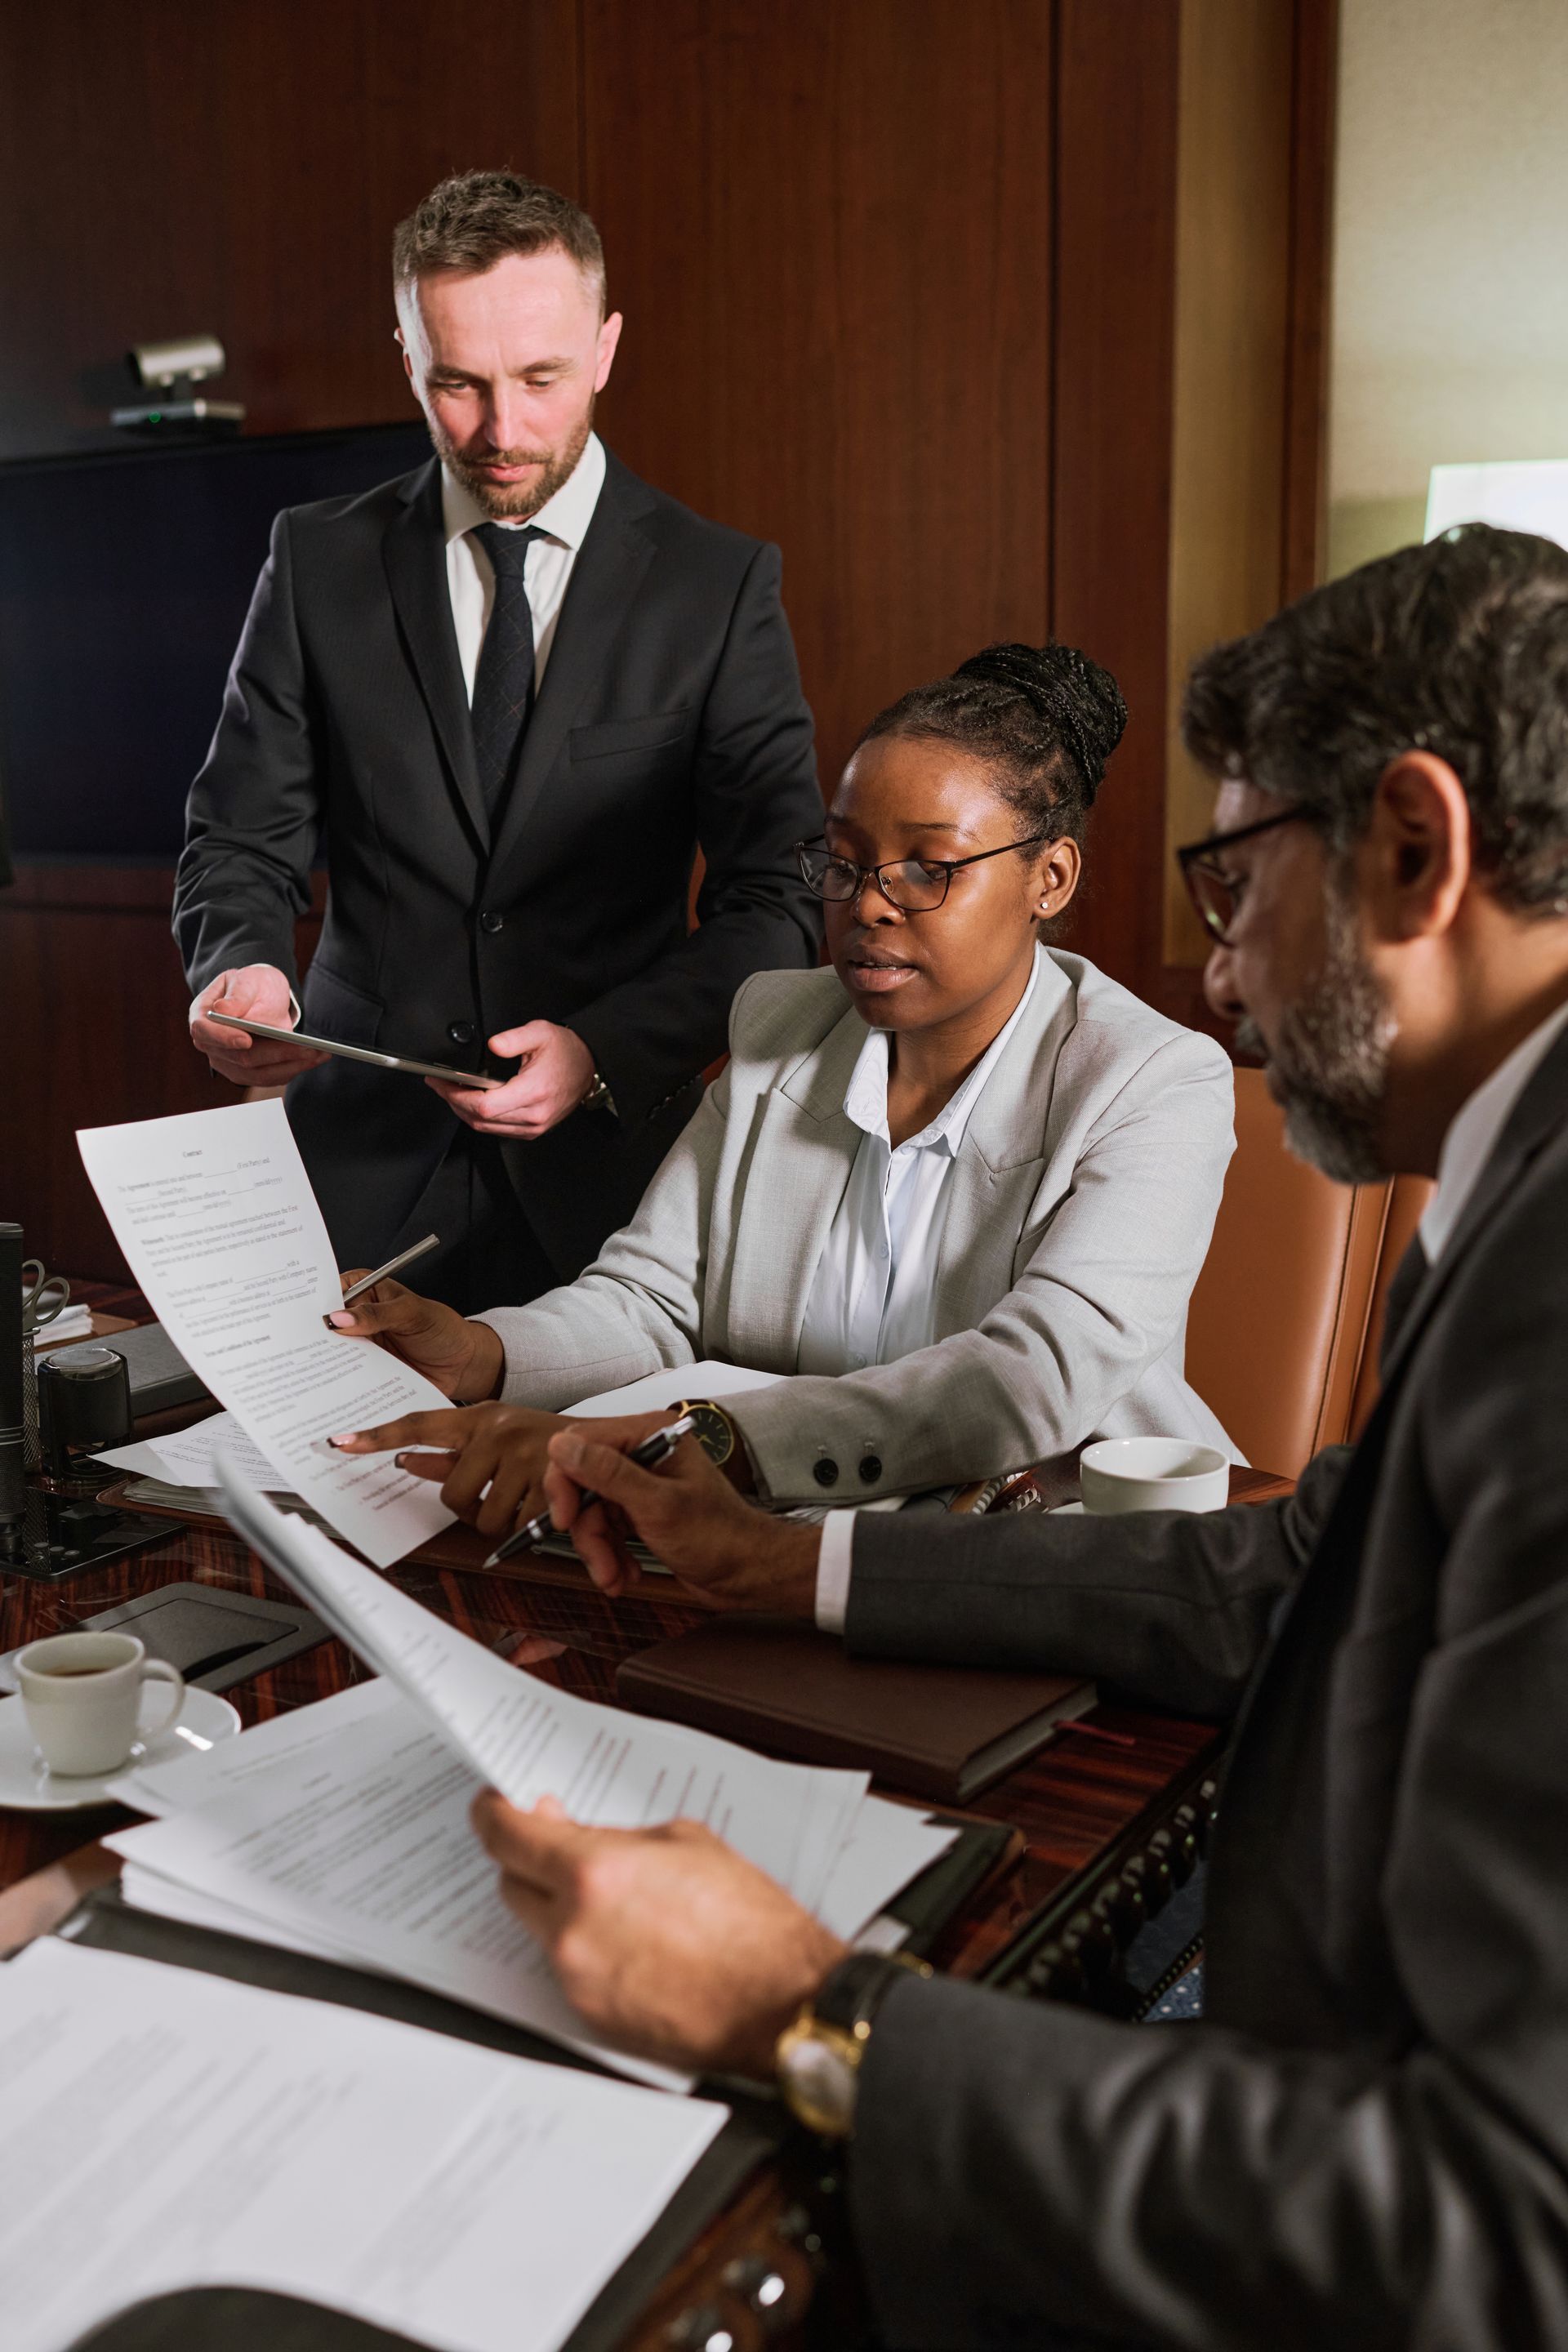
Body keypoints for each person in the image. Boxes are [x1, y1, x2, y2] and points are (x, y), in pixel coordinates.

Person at [468, 525, 1568, 2349]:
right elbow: (1286, 1574)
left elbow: (1494, 2234)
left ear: (1418, 850)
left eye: (1237, 890)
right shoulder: (1511, 1181)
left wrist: (808, 2015)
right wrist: (794, 1562)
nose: (1219, 977)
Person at [332, 639, 1238, 1521]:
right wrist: (481, 1354)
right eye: (842, 862)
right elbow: (652, 1301)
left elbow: (1028, 1382)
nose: (868, 903)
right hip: (778, 1536)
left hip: (1053, 1549)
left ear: (1051, 877)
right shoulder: (783, 1028)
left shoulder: (1152, 1082)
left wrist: (677, 1439)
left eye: (930, 867)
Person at [176, 170, 822, 1313]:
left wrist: (602, 1050)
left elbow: (778, 901)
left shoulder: (720, 588)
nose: (503, 431)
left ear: (607, 346)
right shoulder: (317, 560)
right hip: (349, 1180)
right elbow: (239, 835)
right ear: (407, 355)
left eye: (542, 378)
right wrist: (243, 961)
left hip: (617, 1198)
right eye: (457, 384)